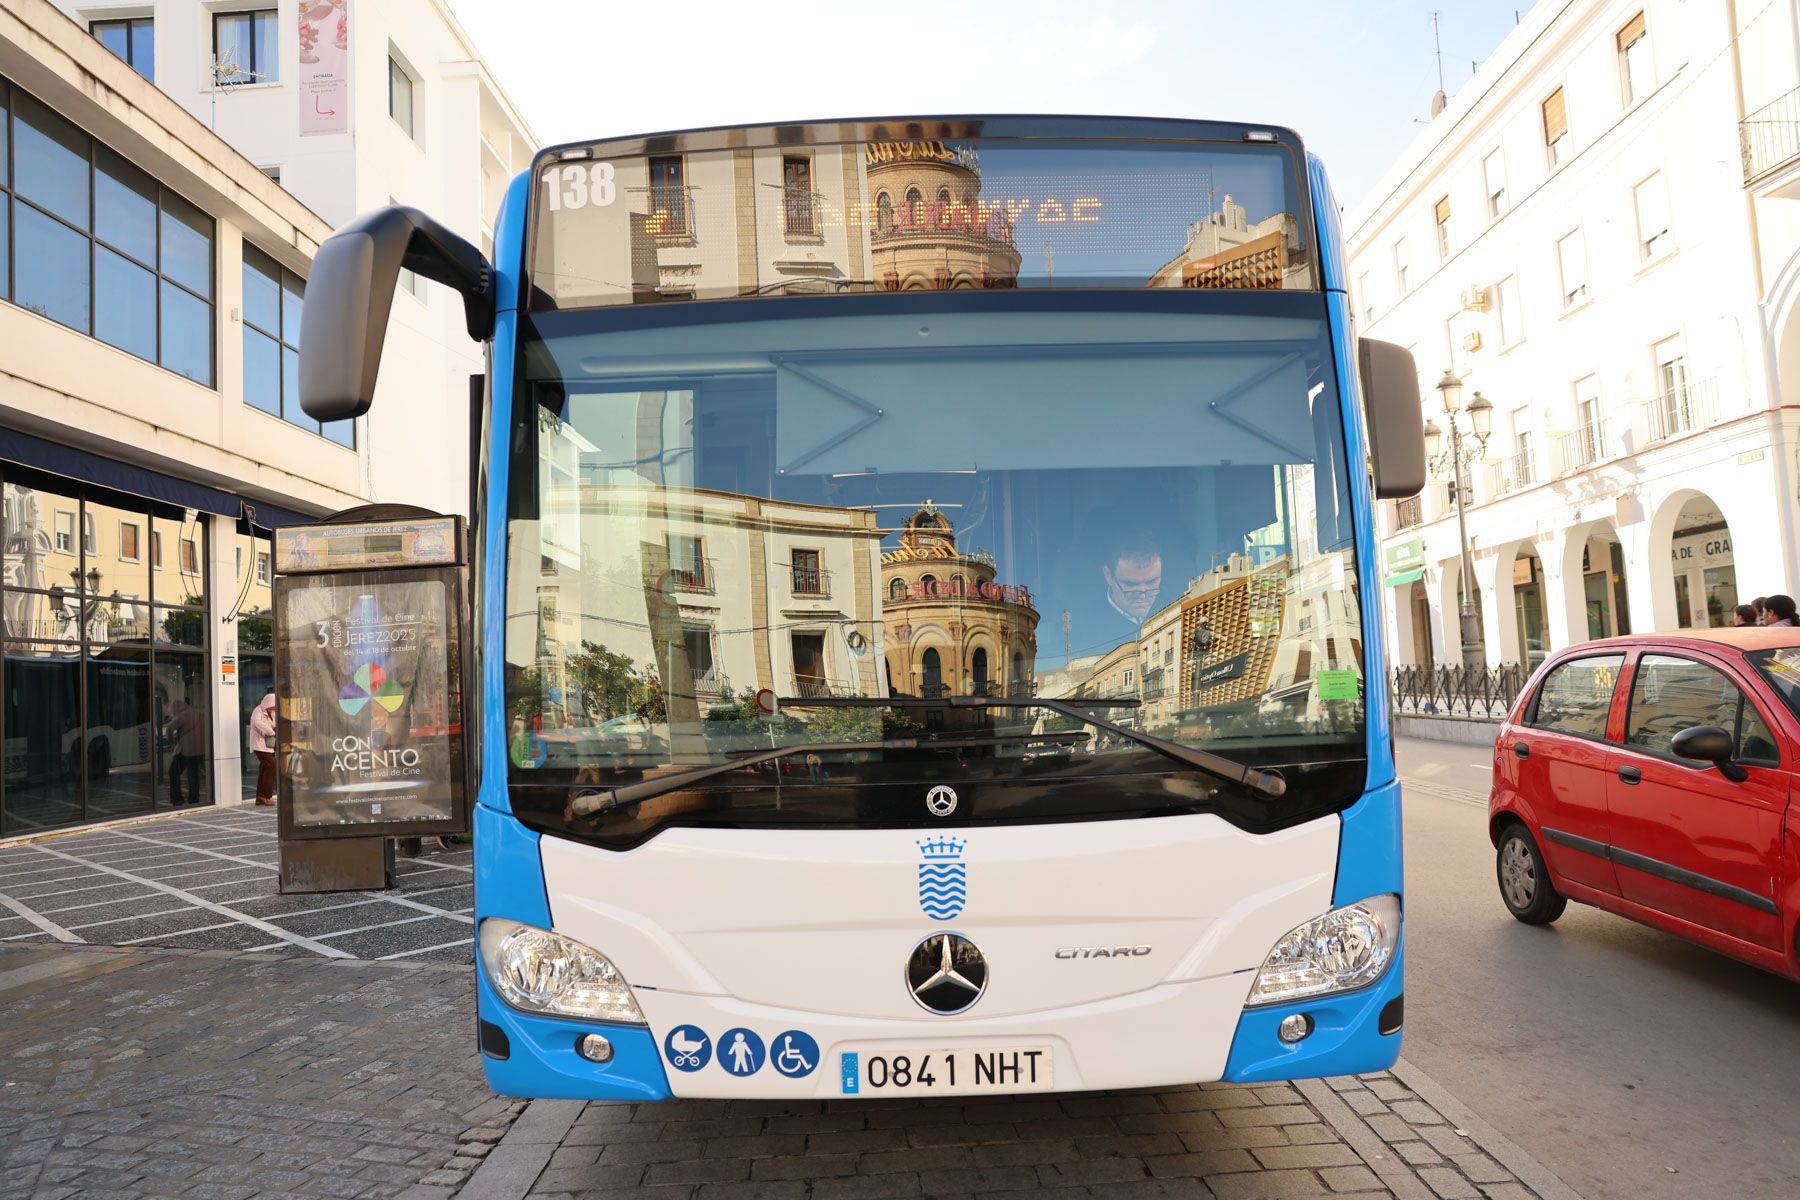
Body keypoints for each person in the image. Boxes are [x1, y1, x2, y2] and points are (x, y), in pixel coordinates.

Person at [1102, 532, 1163, 625]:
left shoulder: (1178, 606)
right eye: (1131, 584)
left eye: (1152, 582)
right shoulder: (1084, 624)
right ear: (1108, 575)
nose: (1142, 596)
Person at [163, 698, 206, 806]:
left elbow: (169, 729)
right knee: (193, 774)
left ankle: (177, 798)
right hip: (199, 749)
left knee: (173, 772)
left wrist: (172, 742)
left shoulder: (183, 716)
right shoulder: (198, 713)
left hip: (186, 750)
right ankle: (194, 798)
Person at [248, 688, 278, 806]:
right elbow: (256, 723)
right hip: (259, 744)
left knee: (264, 768)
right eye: (272, 706)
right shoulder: (258, 711)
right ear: (268, 703)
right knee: (271, 766)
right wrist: (271, 731)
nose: (274, 708)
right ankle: (266, 796)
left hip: (268, 745)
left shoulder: (272, 713)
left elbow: (274, 725)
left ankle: (260, 797)